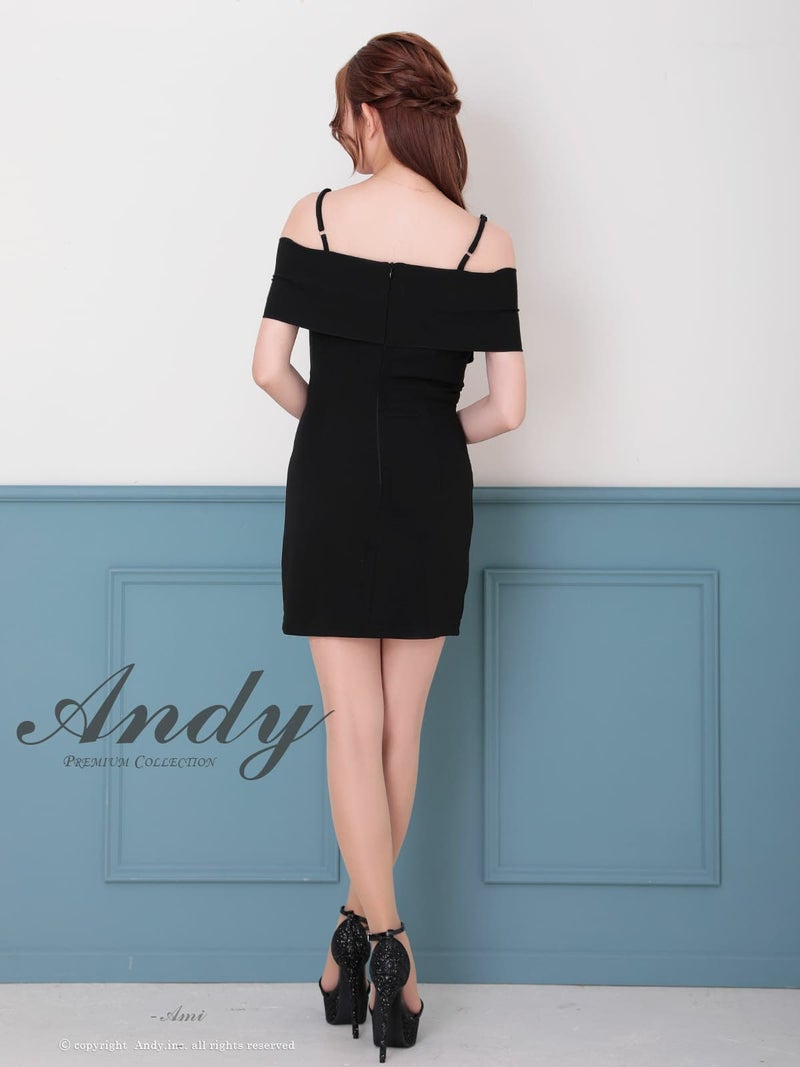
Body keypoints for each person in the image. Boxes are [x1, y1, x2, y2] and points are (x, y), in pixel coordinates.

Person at [252, 30, 525, 1062]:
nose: (345, 140)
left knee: (347, 728)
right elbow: (507, 408)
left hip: (328, 483)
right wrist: (424, 434)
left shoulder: (317, 216)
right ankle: (367, 945)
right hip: (430, 489)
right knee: (399, 729)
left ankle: (378, 938)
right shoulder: (482, 240)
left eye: (345, 121)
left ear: (370, 112)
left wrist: (335, 425)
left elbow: (268, 370)